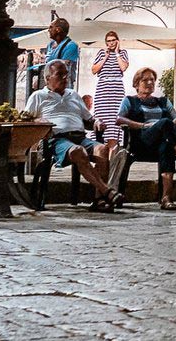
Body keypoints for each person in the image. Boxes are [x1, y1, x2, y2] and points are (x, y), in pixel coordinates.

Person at [24, 61, 122, 211]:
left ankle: (99, 200)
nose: (65, 78)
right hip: (56, 140)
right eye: (60, 75)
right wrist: (39, 121)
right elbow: (26, 119)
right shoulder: (38, 96)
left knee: (102, 149)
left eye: (66, 75)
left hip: (80, 137)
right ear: (48, 78)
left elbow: (89, 119)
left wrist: (96, 122)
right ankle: (107, 191)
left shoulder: (74, 95)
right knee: (78, 151)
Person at [117, 67, 176, 209]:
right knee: (165, 123)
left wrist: (162, 127)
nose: (149, 82)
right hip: (141, 142)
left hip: (162, 141)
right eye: (145, 80)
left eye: (152, 80)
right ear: (136, 84)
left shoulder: (163, 101)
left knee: (167, 144)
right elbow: (119, 119)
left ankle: (166, 198)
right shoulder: (129, 100)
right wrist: (143, 125)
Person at [91, 31, 129, 151]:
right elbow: (94, 70)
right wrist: (105, 56)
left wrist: (117, 53)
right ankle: (101, 150)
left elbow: (123, 67)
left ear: (117, 41)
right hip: (103, 89)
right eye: (109, 41)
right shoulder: (101, 53)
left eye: (113, 40)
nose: (111, 43)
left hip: (116, 90)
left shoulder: (123, 53)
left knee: (114, 121)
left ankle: (112, 151)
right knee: (102, 120)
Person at [35, 18, 79, 91]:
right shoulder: (50, 45)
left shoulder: (71, 46)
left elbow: (63, 67)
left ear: (58, 30)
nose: (48, 30)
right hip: (48, 86)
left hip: (62, 88)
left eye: (51, 27)